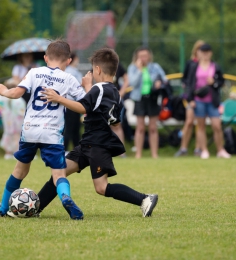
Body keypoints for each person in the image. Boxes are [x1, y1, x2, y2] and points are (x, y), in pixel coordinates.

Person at [35, 47, 158, 218]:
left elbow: (83, 107)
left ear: (98, 69)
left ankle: (144, 199)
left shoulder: (99, 89)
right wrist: (88, 88)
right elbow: (110, 118)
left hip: (98, 144)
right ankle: (36, 208)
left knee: (101, 187)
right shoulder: (114, 91)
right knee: (59, 171)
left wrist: (59, 98)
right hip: (89, 143)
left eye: (93, 69)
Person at [0, 39, 86, 219]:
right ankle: (65, 197)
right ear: (68, 61)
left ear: (45, 58)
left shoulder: (34, 72)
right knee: (58, 173)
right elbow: (84, 106)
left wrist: (4, 90)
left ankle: (3, 208)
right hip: (51, 133)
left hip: (30, 130)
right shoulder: (69, 79)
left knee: (20, 171)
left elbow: (16, 93)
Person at [186, 43, 230, 159]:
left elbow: (221, 82)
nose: (205, 54)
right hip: (198, 100)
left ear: (211, 53)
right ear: (198, 53)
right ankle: (204, 150)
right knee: (201, 126)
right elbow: (189, 84)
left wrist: (214, 83)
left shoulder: (215, 66)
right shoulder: (194, 66)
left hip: (212, 100)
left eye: (207, 52)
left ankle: (220, 149)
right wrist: (190, 99)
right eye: (203, 52)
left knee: (217, 125)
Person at [128, 46, 167, 159]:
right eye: (141, 56)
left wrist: (159, 82)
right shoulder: (133, 68)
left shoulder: (155, 67)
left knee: (153, 128)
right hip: (139, 98)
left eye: (145, 56)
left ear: (149, 56)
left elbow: (164, 79)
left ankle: (154, 154)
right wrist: (139, 70)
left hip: (153, 98)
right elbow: (133, 83)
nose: (143, 58)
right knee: (140, 127)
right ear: (137, 57)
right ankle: (138, 154)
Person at [175, 40, 205, 157]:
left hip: (203, 97)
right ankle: (183, 148)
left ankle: (198, 148)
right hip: (190, 97)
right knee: (189, 121)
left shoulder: (209, 65)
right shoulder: (191, 63)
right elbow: (184, 79)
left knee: (200, 123)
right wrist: (187, 86)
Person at [64, 52, 83, 153]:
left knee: (74, 128)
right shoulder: (72, 72)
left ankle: (76, 148)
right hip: (72, 102)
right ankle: (67, 149)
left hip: (69, 103)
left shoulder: (67, 71)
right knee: (71, 128)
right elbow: (79, 85)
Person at [111, 63, 130, 157]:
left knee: (117, 125)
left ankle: (121, 152)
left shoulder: (118, 66)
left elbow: (127, 79)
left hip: (116, 99)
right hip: (102, 98)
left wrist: (121, 93)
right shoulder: (97, 65)